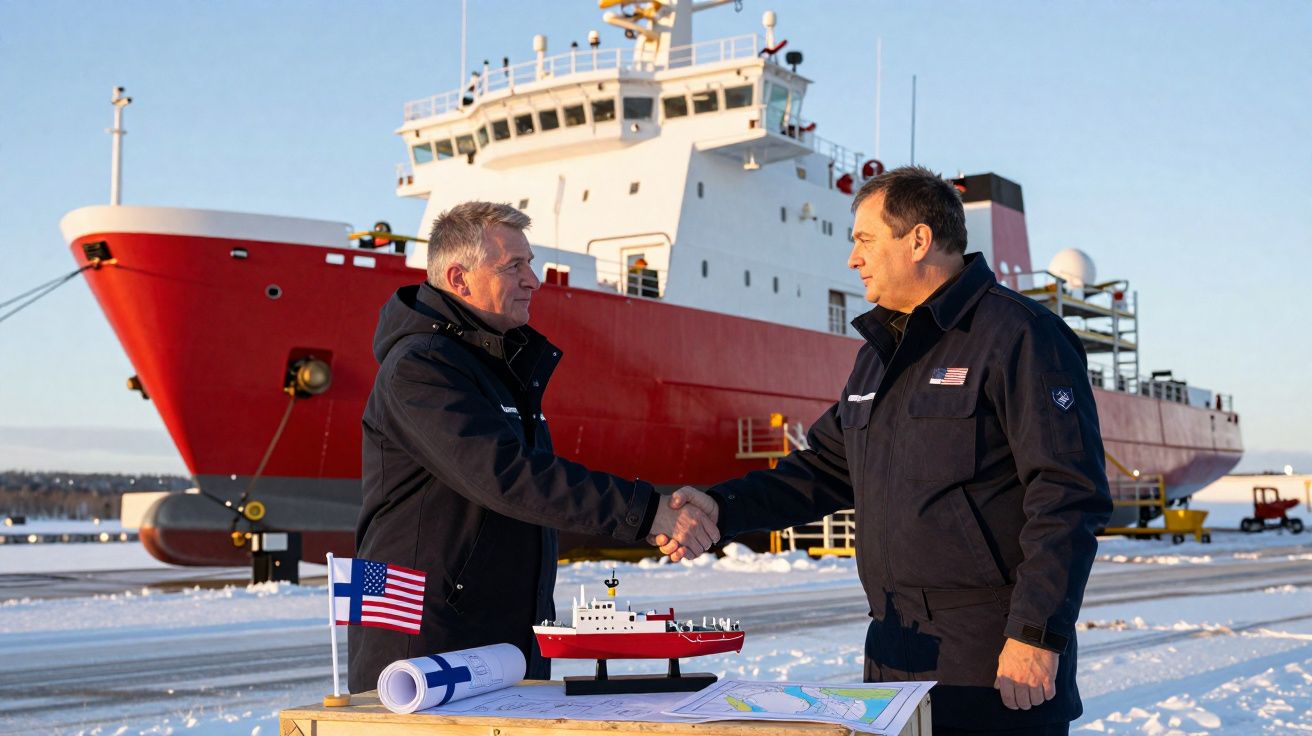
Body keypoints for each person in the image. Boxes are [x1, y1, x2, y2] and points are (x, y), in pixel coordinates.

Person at [659, 166, 1112, 734]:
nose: (853, 259)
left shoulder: (1020, 335)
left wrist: (1036, 634)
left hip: (993, 662)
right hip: (895, 653)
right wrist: (721, 508)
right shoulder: (880, 352)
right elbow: (824, 468)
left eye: (865, 240)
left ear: (918, 240)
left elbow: (1068, 496)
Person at [349, 201, 719, 692]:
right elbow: (508, 475)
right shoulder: (422, 367)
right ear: (459, 278)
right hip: (428, 651)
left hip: (498, 639)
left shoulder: (494, 365)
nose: (534, 280)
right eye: (514, 266)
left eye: (530, 263)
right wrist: (649, 512)